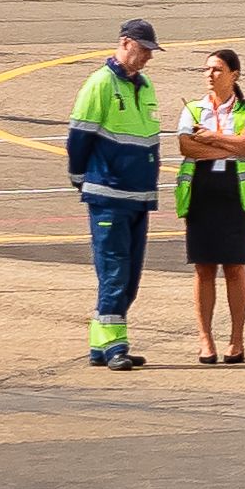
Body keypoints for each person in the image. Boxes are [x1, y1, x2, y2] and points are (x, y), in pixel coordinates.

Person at [65, 18, 166, 369]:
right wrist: (80, 177)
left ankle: (100, 343)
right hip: (109, 195)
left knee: (130, 277)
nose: (148, 57)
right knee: (114, 273)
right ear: (125, 43)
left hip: (138, 196)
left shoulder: (145, 86)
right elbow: (79, 136)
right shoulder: (101, 83)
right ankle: (114, 346)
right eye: (143, 50)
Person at [176, 48, 245, 365]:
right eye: (206, 69)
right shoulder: (193, 109)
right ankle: (205, 339)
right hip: (202, 190)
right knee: (203, 267)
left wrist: (213, 137)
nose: (209, 74)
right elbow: (187, 146)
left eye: (216, 69)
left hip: (235, 191)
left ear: (234, 74)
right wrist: (230, 146)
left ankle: (236, 340)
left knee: (234, 265)